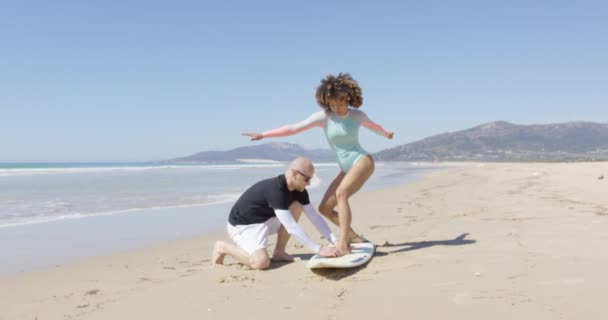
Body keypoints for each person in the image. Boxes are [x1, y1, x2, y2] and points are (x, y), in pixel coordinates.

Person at [242, 73, 394, 255]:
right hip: (346, 168)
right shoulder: (324, 117)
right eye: (332, 104)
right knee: (325, 208)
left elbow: (373, 126)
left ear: (349, 98)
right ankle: (354, 237)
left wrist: (386, 134)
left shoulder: (357, 116)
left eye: (341, 103)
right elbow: (294, 128)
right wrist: (264, 135)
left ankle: (343, 242)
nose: (337, 108)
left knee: (341, 194)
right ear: (326, 102)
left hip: (361, 160)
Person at [212, 157, 339, 270]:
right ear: (295, 173)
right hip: (244, 225)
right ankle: (222, 247)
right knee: (261, 263)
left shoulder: (299, 190)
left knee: (297, 206)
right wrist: (318, 249)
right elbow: (291, 227)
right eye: (307, 179)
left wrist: (334, 240)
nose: (309, 183)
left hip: (267, 219)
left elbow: (314, 217)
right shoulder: (275, 190)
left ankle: (279, 252)